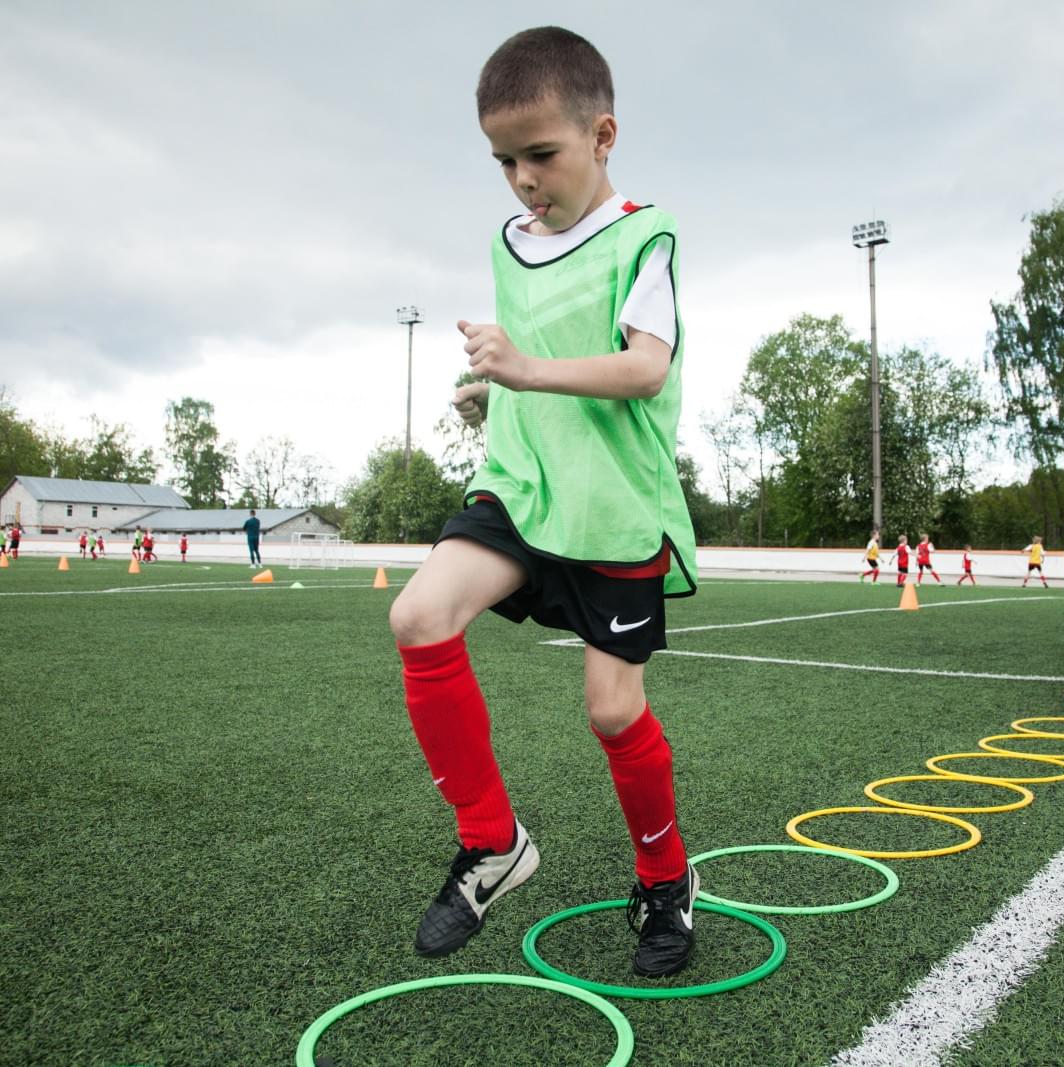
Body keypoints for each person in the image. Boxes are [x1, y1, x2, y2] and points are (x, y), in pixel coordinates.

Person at [385, 27, 699, 978]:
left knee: (612, 711)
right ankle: (493, 842)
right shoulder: (507, 244)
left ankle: (664, 876)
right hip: (520, 484)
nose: (523, 179)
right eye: (504, 161)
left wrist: (524, 367)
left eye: (542, 154)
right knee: (418, 614)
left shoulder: (647, 234)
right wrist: (501, 393)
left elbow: (646, 368)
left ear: (602, 134)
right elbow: (536, 365)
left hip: (611, 506)